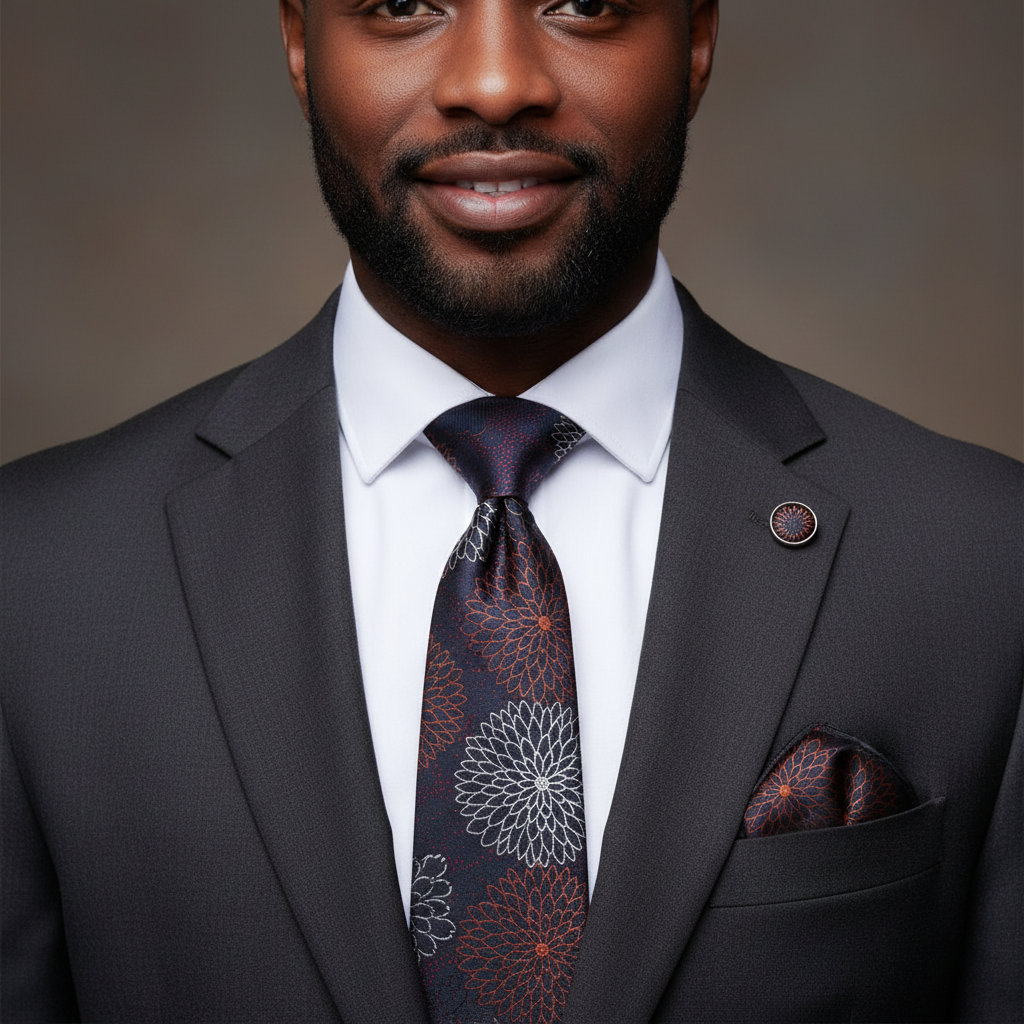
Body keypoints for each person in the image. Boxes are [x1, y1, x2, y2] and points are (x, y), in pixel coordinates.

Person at [1, 0, 1019, 1020]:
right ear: (301, 43)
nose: (494, 81)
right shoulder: (36, 576)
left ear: (697, 40)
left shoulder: (983, 561)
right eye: (402, 4)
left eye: (586, 3)